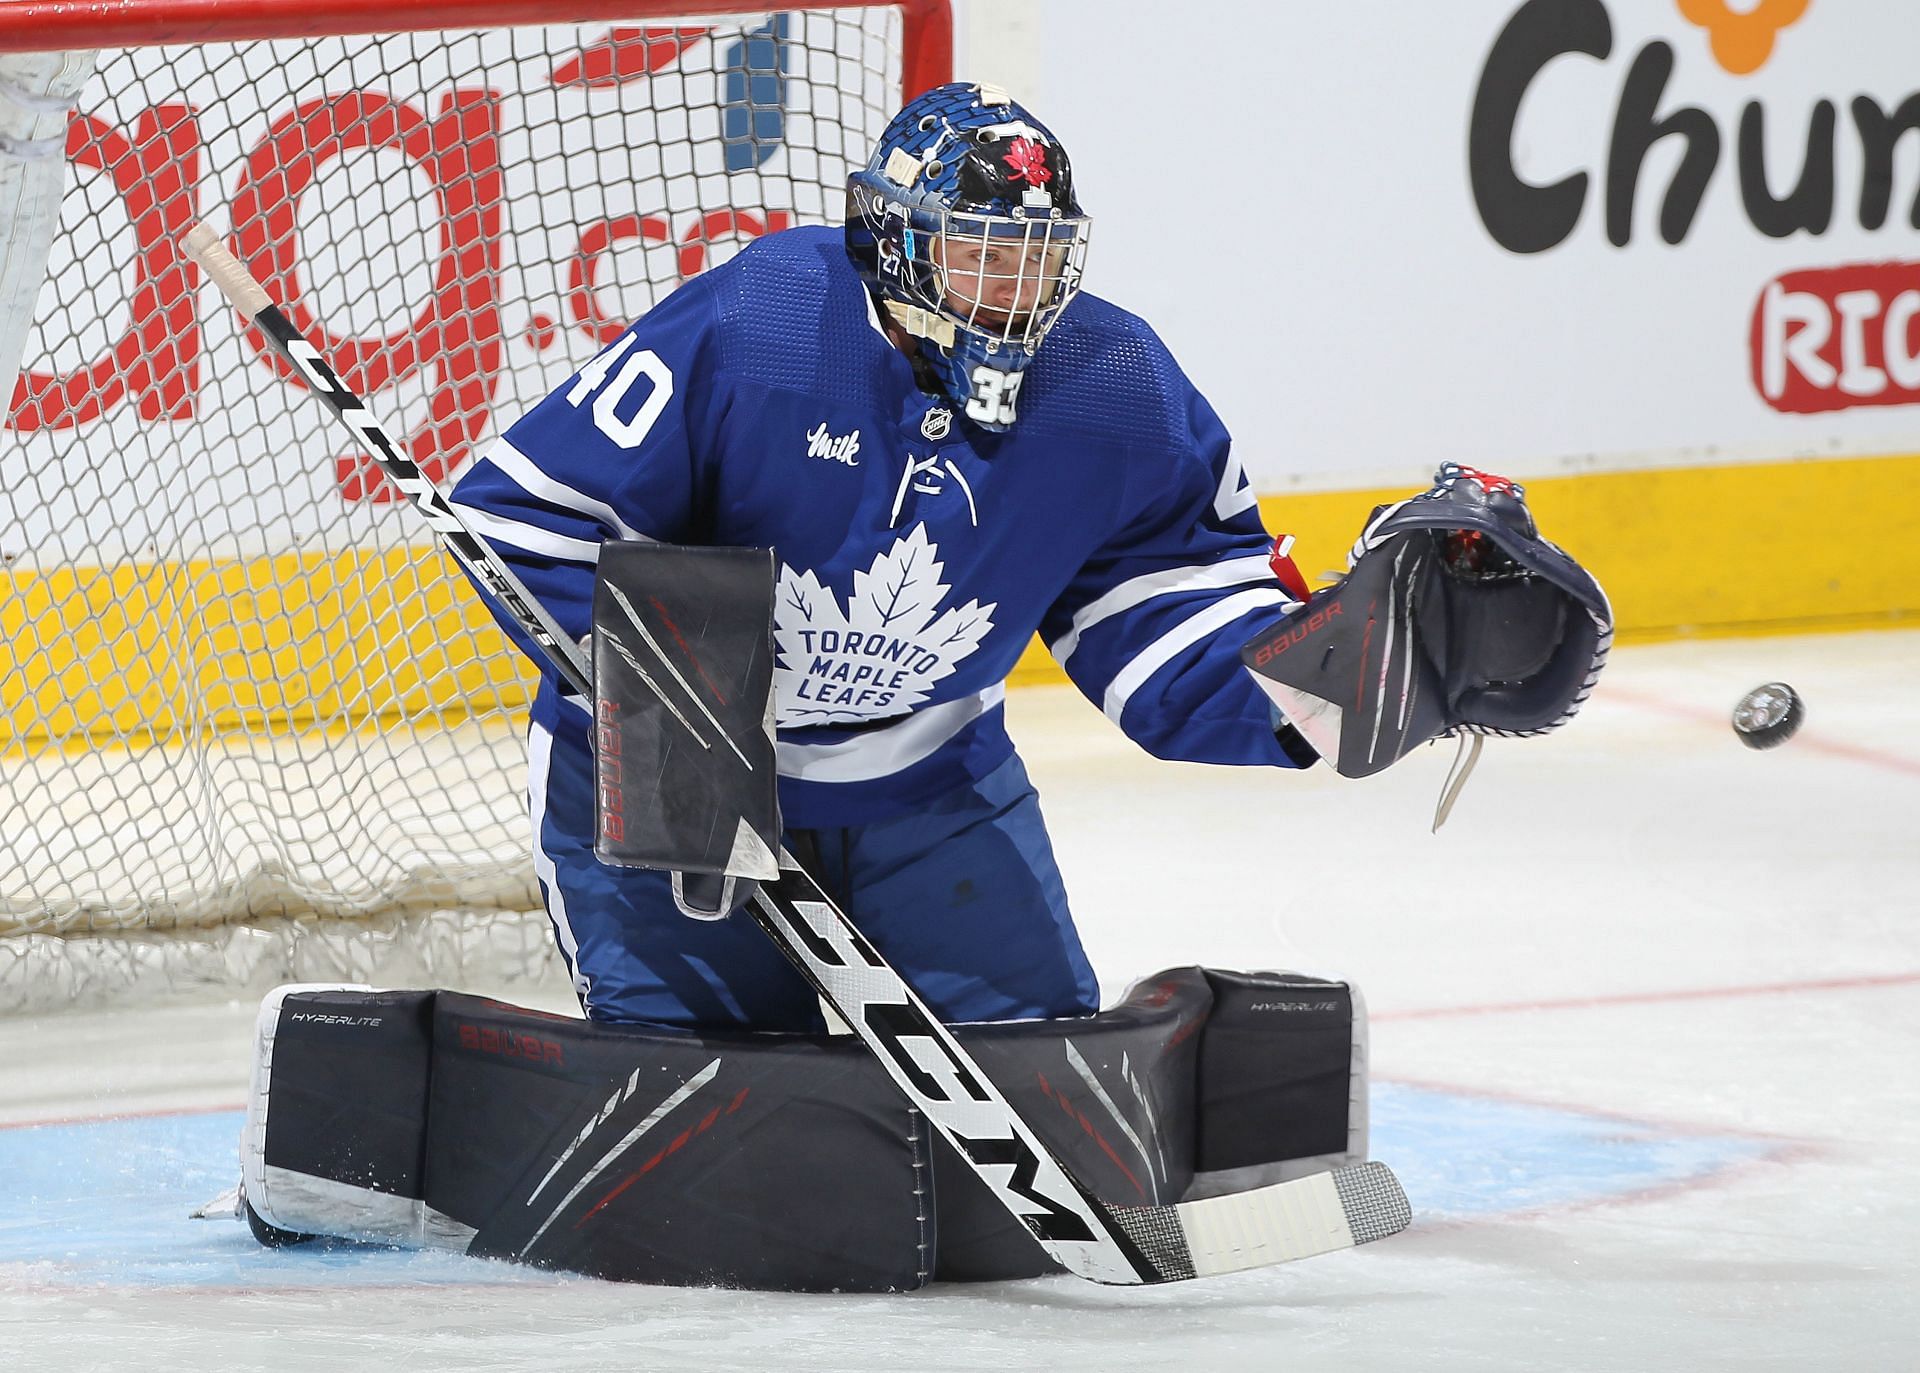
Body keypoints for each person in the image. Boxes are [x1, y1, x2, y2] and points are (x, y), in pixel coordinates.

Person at [450, 81, 1319, 1029]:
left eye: (1036, 260)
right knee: (709, 1127)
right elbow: (527, 517)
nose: (1012, 295)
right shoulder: (764, 323)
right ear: (895, 240)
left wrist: (1338, 679)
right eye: (979, 255)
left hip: (931, 788)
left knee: (1036, 1101)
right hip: (675, 799)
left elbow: (1170, 614)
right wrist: (674, 732)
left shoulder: (1111, 383)